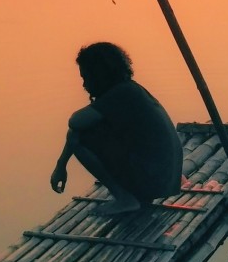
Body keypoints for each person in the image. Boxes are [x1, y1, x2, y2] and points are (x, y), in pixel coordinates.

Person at [50, 42, 183, 215]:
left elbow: (75, 122)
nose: (84, 85)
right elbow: (80, 126)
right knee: (87, 130)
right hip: (164, 177)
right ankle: (135, 195)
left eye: (85, 78)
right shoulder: (130, 89)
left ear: (98, 75)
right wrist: (61, 165)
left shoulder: (121, 94)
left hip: (157, 178)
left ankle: (125, 198)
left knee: (82, 137)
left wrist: (61, 165)